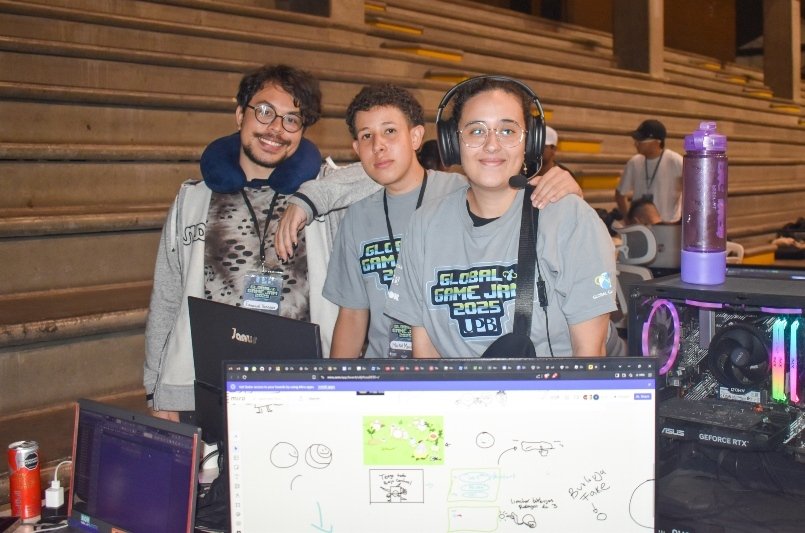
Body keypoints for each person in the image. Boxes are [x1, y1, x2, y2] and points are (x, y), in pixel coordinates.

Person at [384, 76, 617, 358]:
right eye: (476, 131)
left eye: (507, 131)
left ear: (529, 144)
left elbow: (589, 354)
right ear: (453, 142)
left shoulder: (570, 219)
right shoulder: (424, 225)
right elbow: (426, 353)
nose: (492, 145)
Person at [144, 64, 328, 419]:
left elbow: (387, 174)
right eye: (264, 112)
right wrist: (157, 388)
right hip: (209, 386)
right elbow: (166, 296)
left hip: (304, 389)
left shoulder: (325, 196)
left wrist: (310, 199)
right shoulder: (192, 200)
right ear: (240, 113)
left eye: (292, 119)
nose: (276, 129)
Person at [325, 85, 469, 358]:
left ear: (415, 137)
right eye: (366, 136)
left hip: (452, 374)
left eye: (390, 131)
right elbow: (353, 315)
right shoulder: (357, 217)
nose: (378, 145)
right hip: (384, 374)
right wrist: (336, 386)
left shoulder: (461, 193)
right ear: (357, 148)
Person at [615, 119, 682, 223]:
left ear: (657, 142)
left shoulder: (675, 161)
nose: (636, 144)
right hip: (640, 226)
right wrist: (627, 219)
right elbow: (620, 194)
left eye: (641, 140)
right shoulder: (634, 162)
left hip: (668, 225)